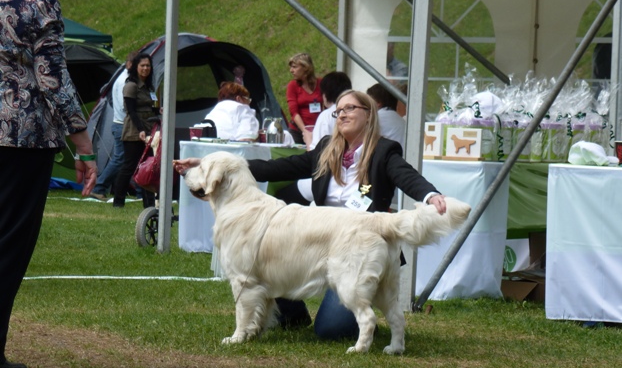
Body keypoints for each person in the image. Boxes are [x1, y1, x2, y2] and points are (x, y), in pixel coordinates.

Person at [174, 89, 446, 340]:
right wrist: (210, 164)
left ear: (368, 113)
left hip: (359, 244)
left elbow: (406, 176)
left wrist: (430, 195)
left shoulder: (384, 151)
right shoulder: (327, 148)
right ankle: (291, 316)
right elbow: (280, 167)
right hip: (319, 236)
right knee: (272, 252)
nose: (343, 115)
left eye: (351, 108)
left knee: (331, 330)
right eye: (338, 111)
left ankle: (358, 317)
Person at [0, 0, 97, 368]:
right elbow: (53, 78)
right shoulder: (35, 0)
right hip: (21, 137)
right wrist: (84, 146)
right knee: (8, 243)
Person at [276, 71, 352, 206]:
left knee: (281, 196)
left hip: (330, 179)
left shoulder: (328, 115)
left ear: (325, 93)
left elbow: (317, 156)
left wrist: (309, 140)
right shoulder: (357, 116)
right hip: (347, 179)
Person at [90, 51, 137, 201]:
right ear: (130, 64)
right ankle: (99, 187)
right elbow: (126, 106)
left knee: (121, 159)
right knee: (120, 159)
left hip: (119, 123)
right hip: (123, 124)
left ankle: (101, 187)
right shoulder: (125, 81)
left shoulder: (121, 77)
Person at [112, 53, 157, 209]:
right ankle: (118, 201)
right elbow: (130, 110)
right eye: (142, 65)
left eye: (148, 66)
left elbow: (151, 106)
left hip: (149, 129)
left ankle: (149, 203)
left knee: (148, 166)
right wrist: (140, 130)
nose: (145, 68)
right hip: (134, 131)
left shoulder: (149, 86)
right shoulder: (131, 85)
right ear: (136, 67)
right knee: (129, 166)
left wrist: (158, 111)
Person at [286, 53, 323, 145]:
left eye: (294, 67)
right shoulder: (293, 86)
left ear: (305, 68)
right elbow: (294, 112)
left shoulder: (321, 83)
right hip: (298, 131)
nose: (291, 70)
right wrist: (305, 131)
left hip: (318, 130)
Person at [366, 83, 406, 151]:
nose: (365, 105)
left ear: (377, 103)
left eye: (367, 101)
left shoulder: (376, 117)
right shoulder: (401, 120)